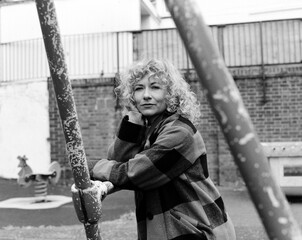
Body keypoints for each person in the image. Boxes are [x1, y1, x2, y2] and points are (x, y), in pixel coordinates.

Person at [88, 59, 236, 240]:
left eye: (155, 87)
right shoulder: (151, 129)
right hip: (174, 230)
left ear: (171, 95)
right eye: (138, 88)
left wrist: (89, 167)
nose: (146, 95)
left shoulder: (180, 133)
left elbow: (133, 173)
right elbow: (118, 161)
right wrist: (133, 123)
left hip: (198, 230)